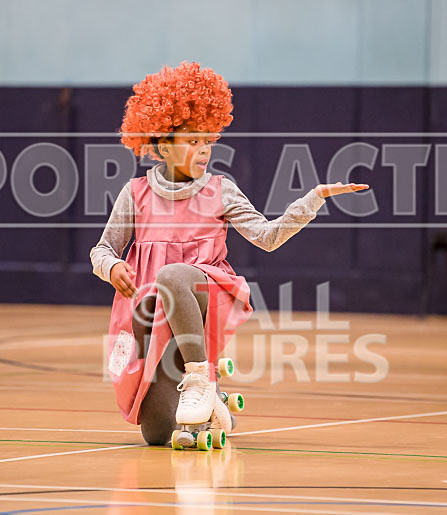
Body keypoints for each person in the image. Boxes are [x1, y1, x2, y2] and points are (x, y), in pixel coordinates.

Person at [90, 61, 368, 446]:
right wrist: (113, 266)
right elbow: (102, 249)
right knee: (157, 434)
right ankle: (216, 404)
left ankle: (200, 377)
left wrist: (313, 199)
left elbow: (267, 237)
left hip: (204, 294)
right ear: (162, 145)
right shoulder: (135, 193)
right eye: (192, 141)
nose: (204, 150)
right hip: (151, 311)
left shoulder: (220, 190)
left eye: (208, 141)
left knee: (174, 274)